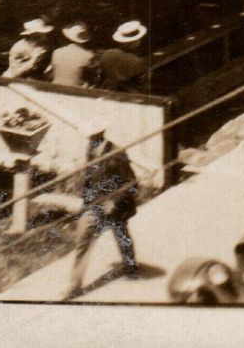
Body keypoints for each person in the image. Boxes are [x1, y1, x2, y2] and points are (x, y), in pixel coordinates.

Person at [66, 130, 139, 298]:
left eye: (94, 135)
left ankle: (130, 265)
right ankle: (74, 286)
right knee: (83, 239)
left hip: (116, 205)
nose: (90, 139)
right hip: (94, 205)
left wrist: (113, 200)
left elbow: (131, 183)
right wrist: (86, 204)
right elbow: (90, 180)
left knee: (121, 234)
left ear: (102, 134)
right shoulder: (91, 150)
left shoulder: (117, 153)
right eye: (90, 136)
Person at [92, 21, 148, 92]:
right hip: (126, 94)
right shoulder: (136, 61)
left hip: (105, 91)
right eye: (138, 39)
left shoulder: (107, 53)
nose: (139, 41)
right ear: (134, 41)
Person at [50, 21, 96, 88]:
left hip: (54, 87)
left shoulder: (57, 52)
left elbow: (53, 72)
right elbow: (89, 78)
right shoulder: (88, 55)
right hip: (73, 89)